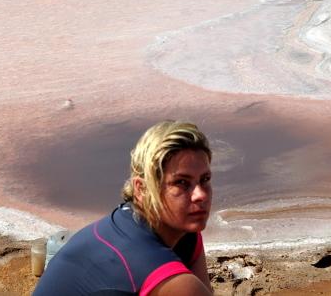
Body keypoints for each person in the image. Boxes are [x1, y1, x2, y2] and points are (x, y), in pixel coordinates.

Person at [33, 121, 214, 295]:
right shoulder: (147, 262)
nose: (201, 195)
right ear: (141, 189)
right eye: (181, 182)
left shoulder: (178, 228)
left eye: (204, 179)